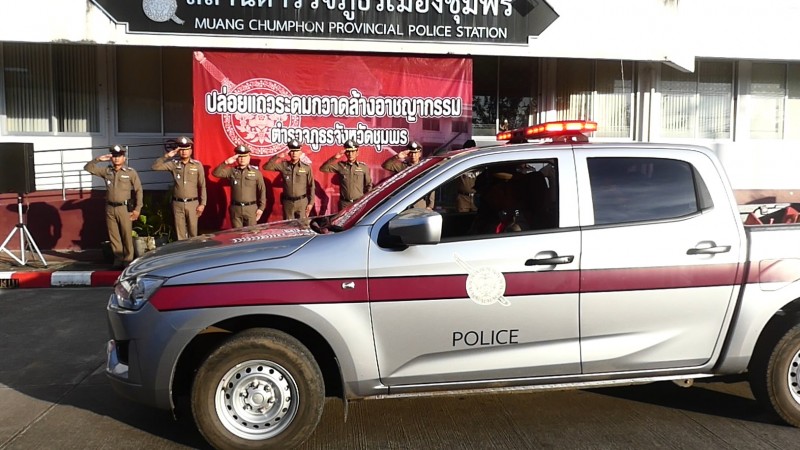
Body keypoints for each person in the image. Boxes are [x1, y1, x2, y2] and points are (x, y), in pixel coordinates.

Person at [83, 145, 143, 268]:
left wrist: (137, 209)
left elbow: (138, 190)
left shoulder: (130, 172)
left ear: (124, 158)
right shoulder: (107, 171)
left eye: (119, 156)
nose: (116, 159)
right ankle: (118, 259)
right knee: (114, 235)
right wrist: (99, 159)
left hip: (124, 208)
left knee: (126, 234)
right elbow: (88, 168)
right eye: (114, 156)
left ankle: (128, 259)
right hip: (110, 208)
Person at [151, 136, 207, 240]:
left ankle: (193, 255)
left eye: (186, 149)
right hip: (178, 204)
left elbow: (202, 185)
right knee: (180, 234)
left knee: (193, 233)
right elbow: (155, 167)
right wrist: (167, 156)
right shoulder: (173, 164)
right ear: (178, 150)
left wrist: (203, 204)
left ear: (190, 150)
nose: (184, 152)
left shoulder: (197, 165)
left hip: (193, 204)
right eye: (181, 149)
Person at [212, 144, 266, 228]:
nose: (242, 159)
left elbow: (262, 190)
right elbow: (215, 173)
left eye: (244, 156)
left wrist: (261, 208)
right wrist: (226, 162)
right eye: (240, 156)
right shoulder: (232, 171)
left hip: (251, 209)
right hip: (235, 209)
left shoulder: (256, 173)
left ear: (249, 157)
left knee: (251, 236)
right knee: (237, 236)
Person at [263, 139, 315, 220]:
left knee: (302, 226)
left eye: (296, 151)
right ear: (289, 153)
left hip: (302, 202)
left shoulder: (306, 167)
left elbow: (311, 185)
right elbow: (266, 167)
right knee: (288, 227)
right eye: (292, 151)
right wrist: (276, 157)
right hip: (288, 203)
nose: (294, 153)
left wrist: (311, 203)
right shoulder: (283, 165)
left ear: (300, 152)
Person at [320, 139, 373, 210]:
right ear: (345, 153)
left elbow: (368, 185)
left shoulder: (363, 167)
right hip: (344, 204)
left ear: (357, 152)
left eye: (353, 151)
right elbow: (323, 168)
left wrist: (366, 200)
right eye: (348, 151)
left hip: (358, 202)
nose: (350, 154)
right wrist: (335, 157)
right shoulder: (340, 166)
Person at [382, 140, 434, 209]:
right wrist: (397, 156)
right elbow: (386, 165)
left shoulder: (424, 168)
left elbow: (430, 185)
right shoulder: (402, 167)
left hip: (419, 205)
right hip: (403, 204)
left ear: (420, 154)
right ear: (408, 154)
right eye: (411, 153)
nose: (413, 155)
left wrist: (430, 206)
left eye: (415, 153)